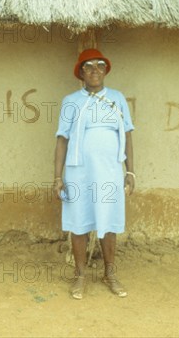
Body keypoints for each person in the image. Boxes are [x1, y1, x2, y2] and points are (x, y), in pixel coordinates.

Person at [53, 48, 135, 299]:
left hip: (109, 171)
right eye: (88, 66)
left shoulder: (118, 98)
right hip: (79, 173)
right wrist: (58, 177)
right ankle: (80, 276)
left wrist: (130, 171)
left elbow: (128, 134)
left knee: (108, 221)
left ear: (106, 70)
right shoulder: (70, 101)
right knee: (79, 222)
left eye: (100, 65)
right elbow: (62, 140)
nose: (95, 70)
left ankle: (110, 273)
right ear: (81, 72)